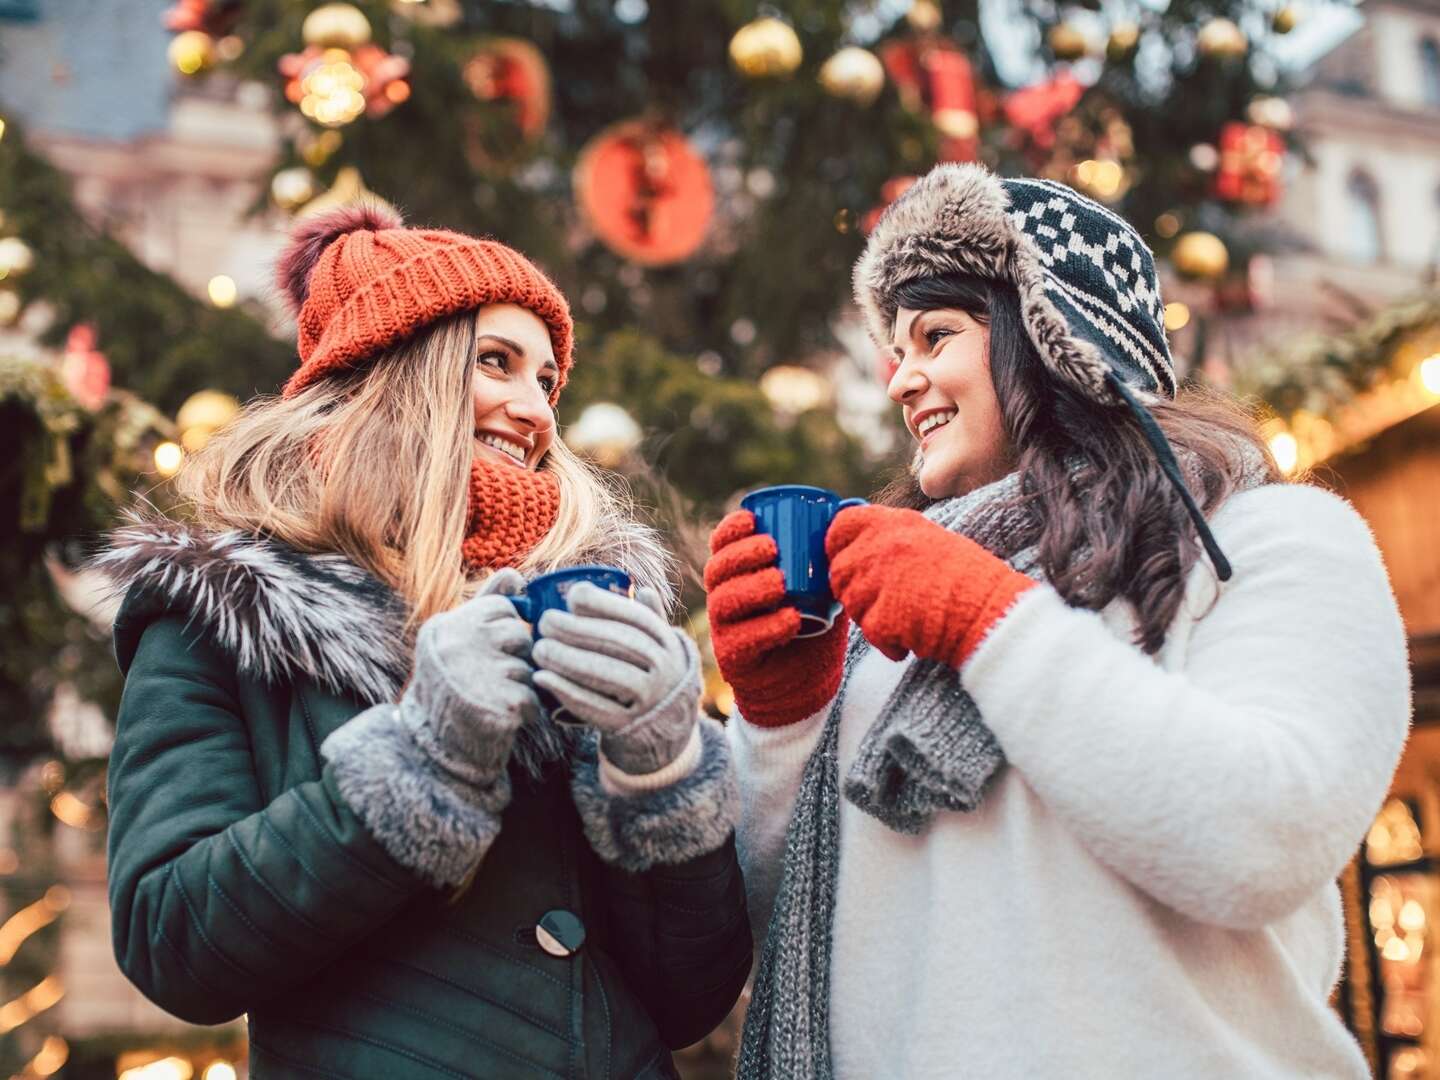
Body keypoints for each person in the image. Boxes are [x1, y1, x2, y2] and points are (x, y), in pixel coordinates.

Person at [704, 164, 1410, 1079]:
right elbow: (802, 928)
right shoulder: (894, 620)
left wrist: (991, 622)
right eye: (897, 351)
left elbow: (1262, 836)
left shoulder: (1269, 540)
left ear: (1052, 338)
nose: (902, 380)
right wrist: (783, 719)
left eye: (936, 336)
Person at [97, 201, 750, 1079]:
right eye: (496, 362)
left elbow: (688, 1000)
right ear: (396, 371)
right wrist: (419, 762)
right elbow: (172, 941)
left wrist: (662, 770)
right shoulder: (225, 615)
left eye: (547, 381)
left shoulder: (595, 611)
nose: (536, 411)